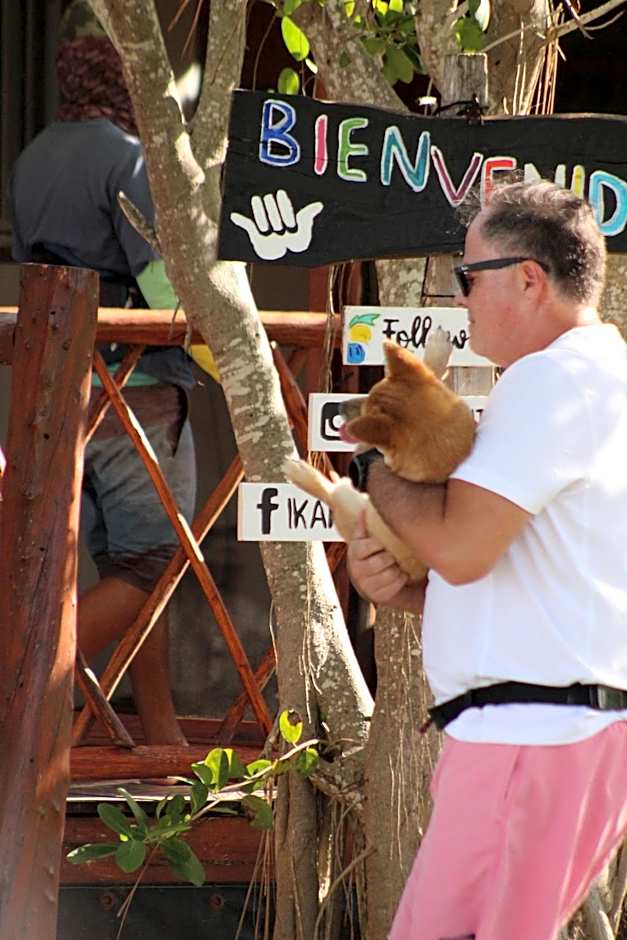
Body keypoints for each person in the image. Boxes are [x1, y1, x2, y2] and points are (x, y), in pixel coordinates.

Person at [347, 180, 627, 940]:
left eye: (468, 277)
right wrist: (409, 590)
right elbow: (538, 581)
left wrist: (379, 461)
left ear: (527, 278)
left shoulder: (555, 380)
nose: (460, 297)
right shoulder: (596, 375)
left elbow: (463, 553)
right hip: (551, 733)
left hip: (529, 737)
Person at [9, 0, 217, 745]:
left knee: (123, 565)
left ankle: (161, 733)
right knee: (157, 562)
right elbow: (165, 290)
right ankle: (19, 684)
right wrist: (229, 350)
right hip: (136, 392)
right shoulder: (131, 157)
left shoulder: (34, 155)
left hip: (64, 393)